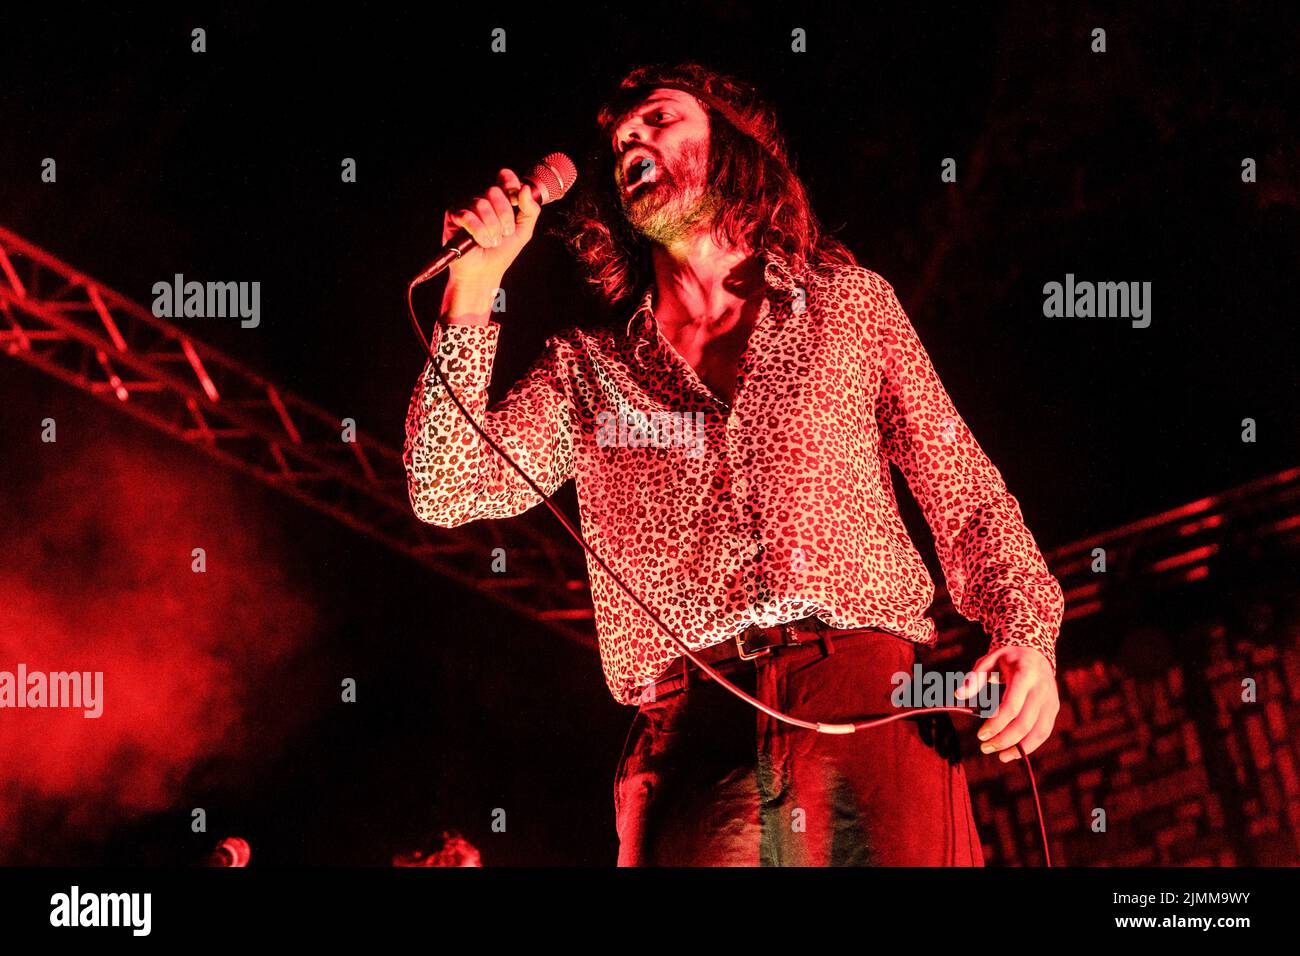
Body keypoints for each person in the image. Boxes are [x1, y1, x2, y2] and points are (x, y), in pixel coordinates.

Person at [403, 62, 1065, 866]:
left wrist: (1027, 633)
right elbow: (444, 487)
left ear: (732, 148)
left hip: (866, 692)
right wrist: (473, 286)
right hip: (688, 726)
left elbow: (964, 496)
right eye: (618, 142)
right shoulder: (588, 370)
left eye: (658, 119)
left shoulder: (847, 304)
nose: (629, 142)